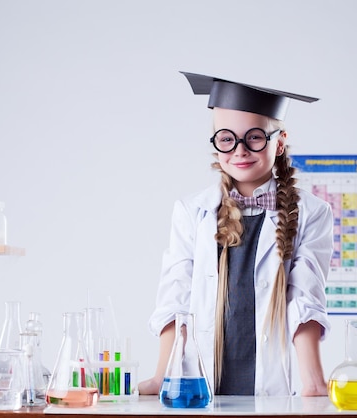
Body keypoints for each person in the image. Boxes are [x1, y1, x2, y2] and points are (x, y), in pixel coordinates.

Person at [139, 72, 333, 397]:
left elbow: (305, 298)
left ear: (280, 141)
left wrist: (313, 381)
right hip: (200, 381)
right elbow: (176, 295)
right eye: (227, 139)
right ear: (216, 144)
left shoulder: (312, 213)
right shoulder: (192, 211)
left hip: (269, 383)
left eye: (255, 137)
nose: (240, 151)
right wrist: (163, 375)